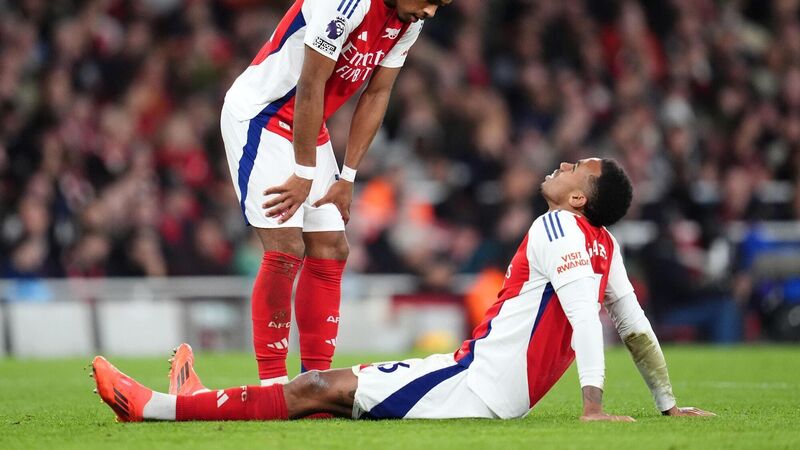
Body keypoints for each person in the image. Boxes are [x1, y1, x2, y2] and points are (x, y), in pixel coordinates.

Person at [92, 159, 714, 422]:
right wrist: (666, 404)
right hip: (482, 381)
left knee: (316, 387)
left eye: (578, 167)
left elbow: (585, 318)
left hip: (473, 383)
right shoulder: (606, 246)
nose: (565, 164)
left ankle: (153, 408)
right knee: (326, 400)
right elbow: (634, 327)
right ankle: (200, 400)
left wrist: (592, 406)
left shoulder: (557, 227)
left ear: (578, 197)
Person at [220, 0, 452, 385]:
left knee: (332, 247)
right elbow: (310, 82)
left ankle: (315, 385)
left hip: (308, 125)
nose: (430, 12)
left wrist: (348, 176)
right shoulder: (347, 3)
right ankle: (274, 386)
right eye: (429, 0)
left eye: (439, 5)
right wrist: (303, 171)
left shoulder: (408, 21)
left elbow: (377, 94)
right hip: (261, 116)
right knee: (286, 247)